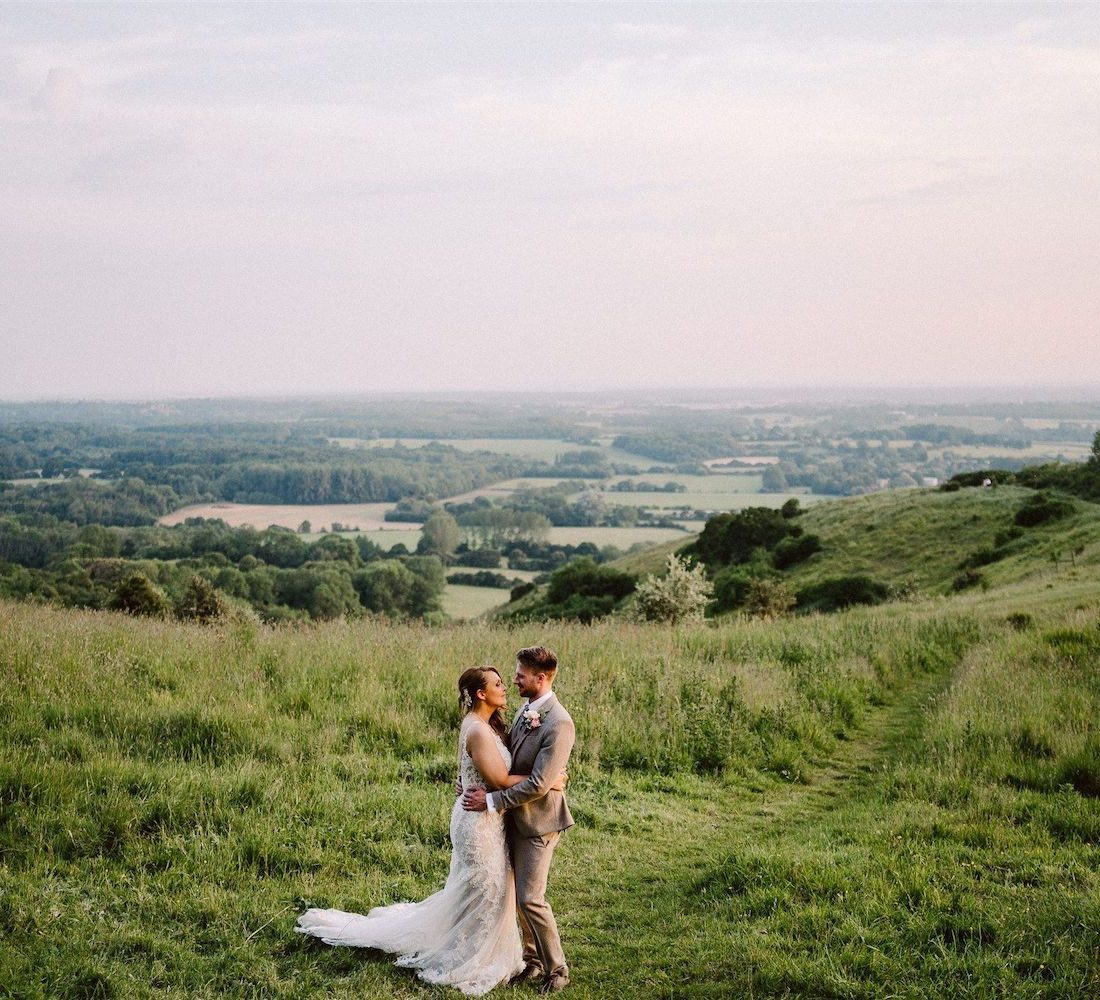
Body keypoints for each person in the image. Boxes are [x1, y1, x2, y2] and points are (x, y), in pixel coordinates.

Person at [296, 666, 551, 996]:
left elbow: (486, 774)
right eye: (498, 684)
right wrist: (547, 779)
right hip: (477, 822)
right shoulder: (476, 729)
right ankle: (471, 954)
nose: (505, 689)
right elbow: (500, 780)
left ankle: (487, 947)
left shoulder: (485, 725)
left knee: (487, 888)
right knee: (486, 888)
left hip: (486, 816)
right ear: (480, 694)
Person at [463, 645, 576, 994]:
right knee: (517, 895)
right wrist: (472, 778)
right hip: (512, 818)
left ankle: (557, 969)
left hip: (539, 822)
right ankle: (533, 960)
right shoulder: (527, 709)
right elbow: (508, 754)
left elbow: (541, 784)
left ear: (540, 678)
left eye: (520, 675)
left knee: (531, 897)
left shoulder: (559, 723)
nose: (514, 680)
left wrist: (493, 800)